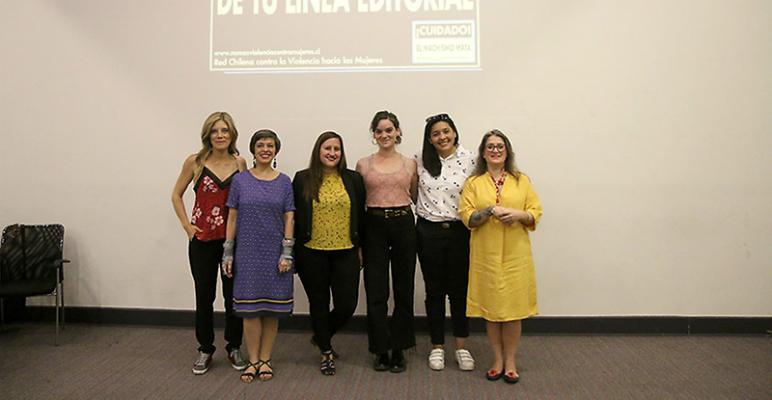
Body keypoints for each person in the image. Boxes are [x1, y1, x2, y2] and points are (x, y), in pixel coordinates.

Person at [458, 129, 543, 384]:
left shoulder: (522, 180)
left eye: (500, 146)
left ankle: (511, 360)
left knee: (514, 310)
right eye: (490, 147)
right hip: (486, 255)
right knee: (492, 309)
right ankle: (497, 359)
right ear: (483, 153)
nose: (495, 150)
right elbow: (467, 217)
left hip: (516, 255)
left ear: (507, 152)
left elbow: (535, 212)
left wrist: (517, 215)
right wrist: (489, 211)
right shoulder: (474, 183)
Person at [171, 111, 247, 375]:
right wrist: (187, 227)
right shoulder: (195, 162)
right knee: (204, 296)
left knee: (232, 298)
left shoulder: (240, 163)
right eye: (215, 131)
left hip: (231, 243)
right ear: (208, 135)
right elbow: (176, 195)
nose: (220, 135)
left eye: (225, 131)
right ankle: (205, 349)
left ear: (232, 134)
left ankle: (234, 346)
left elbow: (243, 203)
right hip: (202, 241)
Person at [222, 129, 295, 383]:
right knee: (250, 310)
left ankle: (266, 359)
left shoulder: (285, 181)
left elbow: (289, 217)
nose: (266, 149)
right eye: (261, 145)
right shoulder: (241, 180)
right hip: (247, 253)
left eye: (271, 145)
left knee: (271, 310)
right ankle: (253, 360)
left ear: (276, 150)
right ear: (253, 150)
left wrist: (287, 252)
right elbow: (232, 216)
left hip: (275, 254)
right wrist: (227, 253)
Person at [292, 131, 366, 376]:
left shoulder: (353, 179)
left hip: (346, 251)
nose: (332, 153)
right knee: (319, 304)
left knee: (347, 304)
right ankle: (325, 351)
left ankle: (321, 334)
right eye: (327, 148)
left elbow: (361, 218)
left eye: (337, 149)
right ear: (318, 151)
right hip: (311, 253)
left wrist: (361, 248)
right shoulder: (302, 179)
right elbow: (293, 217)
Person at [356, 110, 417, 373]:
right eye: (379, 131)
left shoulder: (410, 163)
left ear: (398, 132)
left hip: (403, 222)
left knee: (403, 288)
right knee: (376, 289)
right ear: (373, 134)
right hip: (373, 224)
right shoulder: (363, 164)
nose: (384, 135)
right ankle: (380, 348)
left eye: (389, 130)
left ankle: (399, 348)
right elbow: (359, 204)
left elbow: (413, 194)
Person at [415, 113, 476, 371]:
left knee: (460, 290)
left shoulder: (471, 159)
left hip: (460, 232)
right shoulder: (419, 161)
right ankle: (437, 346)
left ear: (454, 132)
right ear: (430, 139)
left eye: (446, 131)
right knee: (435, 290)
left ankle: (462, 346)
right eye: (436, 133)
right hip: (428, 231)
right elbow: (411, 191)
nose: (442, 137)